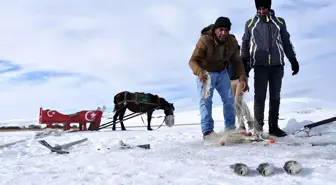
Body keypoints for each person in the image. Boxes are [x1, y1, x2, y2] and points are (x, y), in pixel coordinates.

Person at [240, 0, 299, 137]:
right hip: (260, 66)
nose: (261, 11)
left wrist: (292, 59)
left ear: (269, 7)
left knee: (275, 97)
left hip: (277, 66)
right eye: (259, 9)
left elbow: (286, 41)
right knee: (259, 98)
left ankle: (274, 127)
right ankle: (258, 129)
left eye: (264, 8)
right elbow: (245, 43)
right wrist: (245, 62)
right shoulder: (250, 24)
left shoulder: (279, 22)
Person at [189, 16, 249, 141]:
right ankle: (207, 131)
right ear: (215, 30)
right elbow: (193, 60)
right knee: (206, 101)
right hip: (205, 73)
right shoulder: (205, 40)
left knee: (229, 99)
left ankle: (230, 129)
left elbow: (237, 61)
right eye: (221, 30)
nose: (223, 33)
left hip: (222, 72)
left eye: (226, 30)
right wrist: (200, 72)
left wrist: (243, 78)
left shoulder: (232, 41)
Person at [227, 43, 254, 134]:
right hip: (231, 81)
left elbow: (250, 64)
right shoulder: (226, 58)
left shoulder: (241, 57)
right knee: (238, 101)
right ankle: (250, 121)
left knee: (237, 101)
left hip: (240, 80)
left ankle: (241, 125)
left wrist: (245, 76)